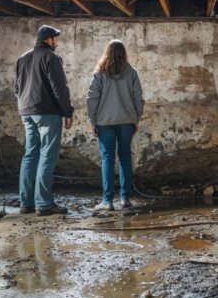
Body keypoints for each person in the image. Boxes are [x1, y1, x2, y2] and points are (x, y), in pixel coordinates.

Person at [14, 25, 73, 216]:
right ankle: (45, 204)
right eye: (56, 39)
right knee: (47, 156)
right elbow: (60, 88)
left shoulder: (22, 58)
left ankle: (26, 203)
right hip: (47, 112)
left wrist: (24, 106)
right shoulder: (51, 57)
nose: (57, 42)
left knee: (30, 155)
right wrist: (68, 111)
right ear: (49, 40)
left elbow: (17, 87)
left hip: (26, 112)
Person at [86, 40, 144, 211]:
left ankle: (107, 201)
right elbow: (138, 98)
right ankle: (125, 198)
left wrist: (93, 121)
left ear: (107, 53)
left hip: (105, 123)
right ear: (124, 53)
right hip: (127, 121)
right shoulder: (131, 72)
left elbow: (91, 99)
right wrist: (136, 118)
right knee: (125, 157)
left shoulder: (99, 73)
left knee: (107, 159)